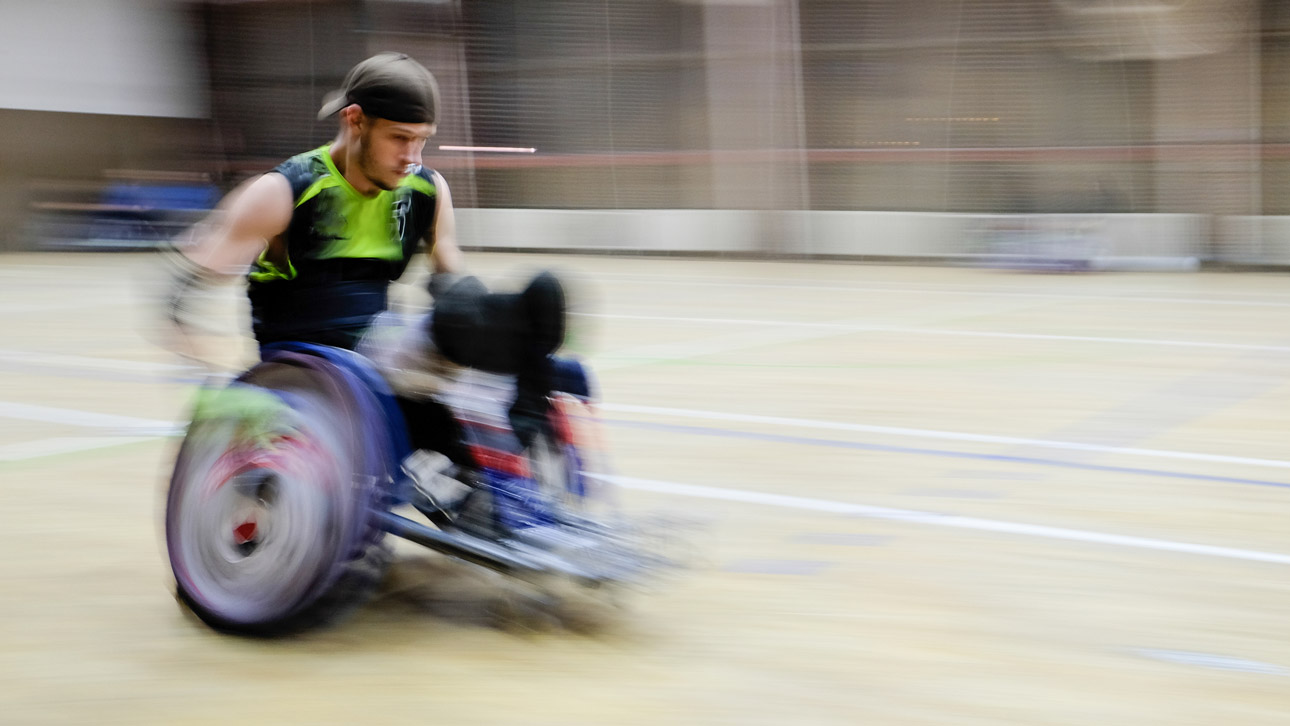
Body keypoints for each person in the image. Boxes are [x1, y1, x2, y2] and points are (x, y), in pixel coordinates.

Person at [163, 52, 566, 452]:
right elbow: (179, 299)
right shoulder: (283, 192)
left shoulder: (427, 190)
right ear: (354, 120)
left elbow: (454, 287)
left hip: (383, 344)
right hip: (307, 363)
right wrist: (213, 389)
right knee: (447, 338)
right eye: (400, 138)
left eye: (422, 140)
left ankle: (520, 450)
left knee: (522, 313)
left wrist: (505, 332)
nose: (412, 158)